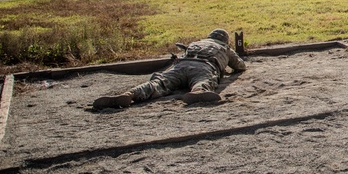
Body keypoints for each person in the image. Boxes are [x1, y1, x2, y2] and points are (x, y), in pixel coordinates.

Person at [93, 29, 245, 109]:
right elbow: (239, 66)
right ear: (225, 40)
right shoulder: (224, 47)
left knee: (159, 82)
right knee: (204, 81)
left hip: (181, 65)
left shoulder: (195, 43)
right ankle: (198, 92)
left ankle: (130, 94)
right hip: (205, 66)